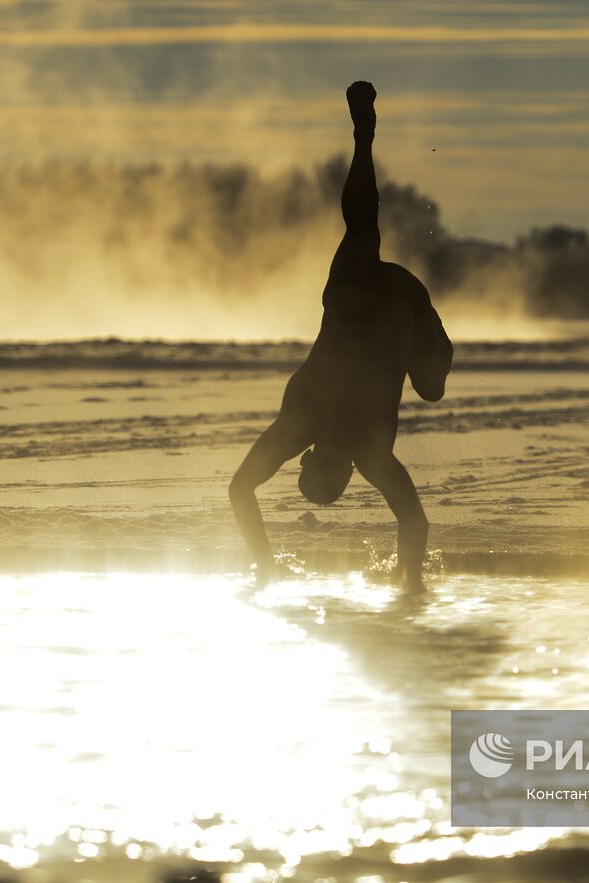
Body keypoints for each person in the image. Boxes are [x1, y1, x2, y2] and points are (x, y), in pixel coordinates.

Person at [228, 81, 452, 592]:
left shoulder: (354, 446)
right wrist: (409, 582)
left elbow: (240, 490)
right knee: (361, 227)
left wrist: (266, 567)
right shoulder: (315, 429)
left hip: (394, 304)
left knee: (361, 228)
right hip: (391, 302)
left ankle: (364, 138)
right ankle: (363, 140)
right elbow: (239, 489)